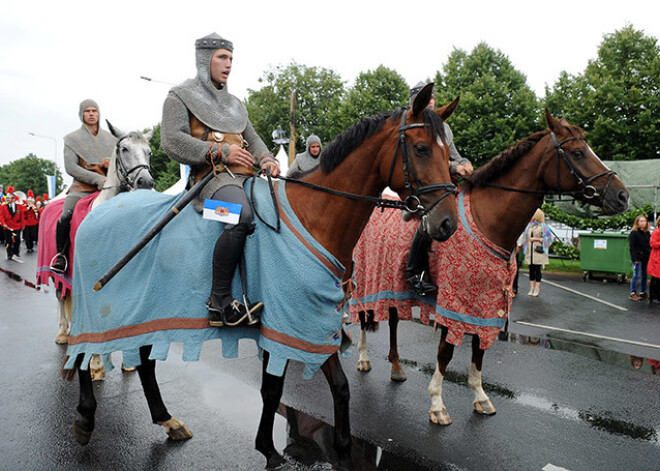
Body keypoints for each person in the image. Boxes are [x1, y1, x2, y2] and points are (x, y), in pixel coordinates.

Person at [161, 33, 279, 327]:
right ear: (205, 60)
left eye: (231, 58)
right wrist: (222, 151)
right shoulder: (179, 95)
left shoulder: (236, 104)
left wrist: (266, 158)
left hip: (246, 180)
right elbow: (172, 142)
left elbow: (253, 138)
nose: (228, 64)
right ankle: (220, 300)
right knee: (240, 217)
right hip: (209, 191)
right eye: (222, 57)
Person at [405, 81, 474, 295]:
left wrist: (465, 163)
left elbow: (453, 153)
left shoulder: (444, 127)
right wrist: (454, 167)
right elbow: (422, 161)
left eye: (433, 98)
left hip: (444, 184)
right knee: (427, 221)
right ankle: (414, 273)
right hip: (421, 186)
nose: (431, 102)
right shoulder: (413, 126)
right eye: (427, 99)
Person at [50, 99, 116, 273]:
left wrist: (111, 165)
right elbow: (71, 167)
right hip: (82, 189)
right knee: (66, 216)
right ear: (82, 114)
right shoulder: (72, 139)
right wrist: (96, 179)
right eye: (87, 111)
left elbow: (121, 164)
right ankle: (61, 256)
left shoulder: (111, 139)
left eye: (95, 110)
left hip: (109, 187)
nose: (92, 114)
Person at [523, 208, 552, 297]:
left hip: (538, 252)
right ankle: (531, 288)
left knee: (537, 270)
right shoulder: (529, 226)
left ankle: (537, 288)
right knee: (531, 270)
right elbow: (525, 237)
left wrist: (537, 239)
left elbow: (549, 239)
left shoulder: (544, 226)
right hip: (530, 252)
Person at [628, 214, 651, 300]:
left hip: (646, 257)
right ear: (637, 222)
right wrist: (635, 258)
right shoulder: (634, 233)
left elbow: (648, 245)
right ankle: (632, 292)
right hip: (637, 258)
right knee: (636, 275)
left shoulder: (647, 233)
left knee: (645, 275)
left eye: (644, 221)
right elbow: (632, 247)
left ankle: (642, 292)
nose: (643, 223)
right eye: (641, 221)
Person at [0, 186, 25, 261]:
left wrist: (23, 225)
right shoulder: (3, 207)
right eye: (7, 198)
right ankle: (9, 254)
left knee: (17, 240)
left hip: (16, 226)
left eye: (9, 198)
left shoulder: (19, 207)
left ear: (13, 199)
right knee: (8, 241)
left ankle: (16, 251)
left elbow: (22, 217)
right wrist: (3, 223)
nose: (7, 199)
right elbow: (1, 216)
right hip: (7, 226)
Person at [646, 216, 660, 304]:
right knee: (655, 278)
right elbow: (653, 244)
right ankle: (653, 297)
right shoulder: (656, 232)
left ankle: (656, 296)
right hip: (657, 258)